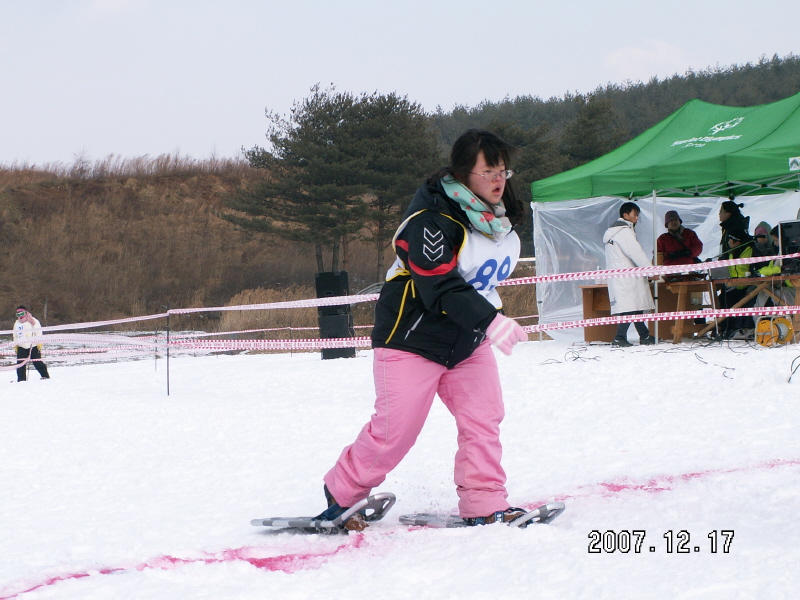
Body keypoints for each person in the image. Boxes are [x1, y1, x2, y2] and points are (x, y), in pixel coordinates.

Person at [315, 130, 529, 531]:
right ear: (464, 175)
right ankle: (342, 495)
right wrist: (490, 320)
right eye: (489, 171)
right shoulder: (431, 221)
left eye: (504, 170)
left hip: (466, 342)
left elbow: (479, 282)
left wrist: (488, 320)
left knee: (484, 420)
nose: (500, 180)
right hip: (411, 340)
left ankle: (484, 502)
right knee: (396, 432)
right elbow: (438, 284)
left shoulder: (497, 223)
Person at [603, 202, 656, 347]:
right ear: (625, 215)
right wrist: (651, 271)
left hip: (621, 275)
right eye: (635, 214)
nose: (637, 218)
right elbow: (636, 253)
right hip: (627, 276)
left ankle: (644, 336)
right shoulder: (623, 232)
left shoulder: (614, 233)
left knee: (634, 305)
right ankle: (619, 338)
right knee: (630, 307)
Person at [717, 230, 756, 339]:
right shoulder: (731, 253)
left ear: (737, 242)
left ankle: (742, 328)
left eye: (730, 240)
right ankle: (726, 328)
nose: (728, 242)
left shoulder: (750, 251)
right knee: (724, 298)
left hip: (749, 286)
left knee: (745, 300)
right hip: (734, 286)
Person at [656, 210, 703, 274]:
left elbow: (698, 246)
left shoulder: (689, 233)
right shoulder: (663, 238)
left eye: (675, 219)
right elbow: (658, 254)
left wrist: (690, 252)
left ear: (679, 221)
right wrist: (669, 255)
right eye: (671, 220)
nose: (673, 222)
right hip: (671, 272)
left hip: (689, 270)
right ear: (667, 224)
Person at [13, 306, 50, 382]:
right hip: (21, 346)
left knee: (37, 362)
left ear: (26, 313)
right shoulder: (17, 323)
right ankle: (21, 380)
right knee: (20, 364)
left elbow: (39, 332)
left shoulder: (33, 321)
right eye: (18, 314)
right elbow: (15, 335)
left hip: (33, 345)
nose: (20, 316)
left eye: (22, 313)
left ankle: (45, 376)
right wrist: (15, 344)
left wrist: (39, 342)